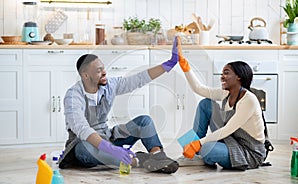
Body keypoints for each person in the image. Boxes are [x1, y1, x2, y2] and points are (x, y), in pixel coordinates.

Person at [58, 37, 180, 174]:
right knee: (83, 150)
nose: (104, 72)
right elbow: (82, 129)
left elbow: (137, 80)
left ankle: (157, 157)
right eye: (99, 71)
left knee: (144, 121)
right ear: (85, 76)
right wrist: (111, 150)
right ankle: (139, 161)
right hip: (86, 144)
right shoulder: (73, 96)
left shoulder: (109, 85)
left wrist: (168, 64)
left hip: (108, 137)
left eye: (103, 68)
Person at [177, 38, 266, 170]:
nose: (222, 77)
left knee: (207, 148)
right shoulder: (226, 94)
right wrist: (183, 64)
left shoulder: (249, 100)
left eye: (226, 73)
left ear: (239, 77)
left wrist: (199, 143)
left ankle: (201, 153)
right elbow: (199, 88)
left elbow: (227, 130)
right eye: (222, 73)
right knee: (206, 104)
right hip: (231, 139)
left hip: (249, 152)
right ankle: (193, 154)